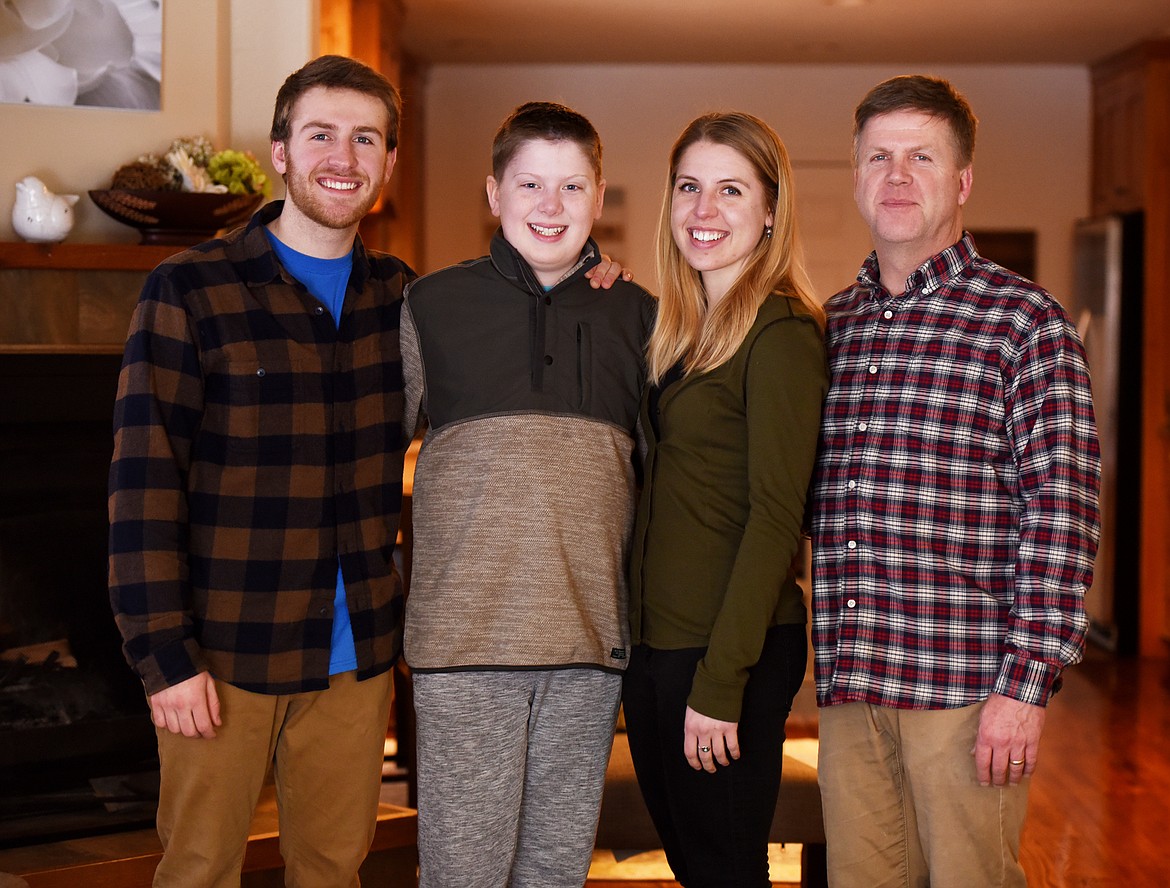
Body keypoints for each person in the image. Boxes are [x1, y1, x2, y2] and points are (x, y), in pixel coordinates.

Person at [809, 74, 1101, 887]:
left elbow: (1062, 516)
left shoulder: (1024, 324)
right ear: (858, 174)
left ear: (962, 180)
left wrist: (1026, 686)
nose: (897, 176)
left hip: (966, 690)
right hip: (851, 683)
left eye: (922, 157)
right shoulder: (834, 324)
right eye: (879, 157)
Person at [400, 101, 655, 887]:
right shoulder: (431, 305)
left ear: (598, 196)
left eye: (572, 187)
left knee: (554, 871)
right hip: (464, 647)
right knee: (464, 872)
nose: (551, 207)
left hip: (588, 644)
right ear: (493, 193)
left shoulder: (640, 315)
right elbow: (371, 456)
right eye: (531, 185)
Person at [622, 111, 828, 887]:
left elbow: (779, 518)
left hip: (724, 653)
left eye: (731, 190)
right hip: (657, 647)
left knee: (726, 872)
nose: (704, 212)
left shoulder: (780, 333)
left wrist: (721, 681)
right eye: (689, 188)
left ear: (770, 210)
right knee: (696, 866)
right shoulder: (678, 328)